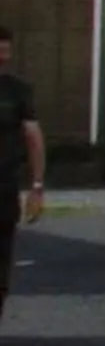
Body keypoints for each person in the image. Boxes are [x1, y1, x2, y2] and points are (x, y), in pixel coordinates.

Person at [0, 27, 42, 322]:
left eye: (5, 51)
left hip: (4, 187)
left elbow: (33, 136)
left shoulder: (17, 90)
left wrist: (36, 186)